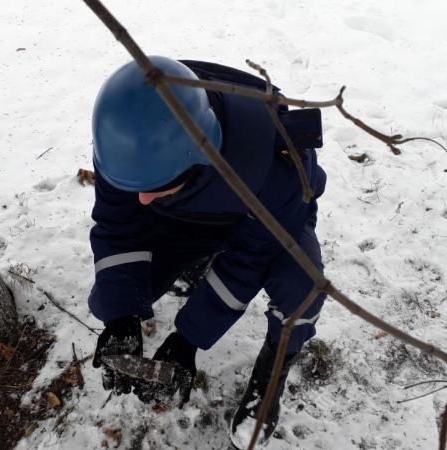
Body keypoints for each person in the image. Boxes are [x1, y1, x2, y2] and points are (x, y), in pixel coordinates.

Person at [88, 56, 327, 445]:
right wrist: (122, 315)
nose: (142, 199)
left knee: (304, 286)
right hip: (185, 216)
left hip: (261, 221)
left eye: (154, 186)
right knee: (110, 297)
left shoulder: (276, 165)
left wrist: (188, 338)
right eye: (135, 185)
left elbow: (247, 262)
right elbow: (117, 227)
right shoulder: (129, 131)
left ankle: (272, 376)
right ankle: (190, 264)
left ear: (199, 159)